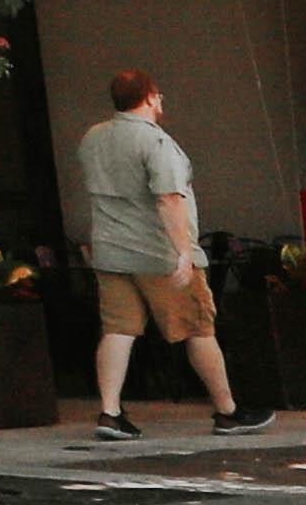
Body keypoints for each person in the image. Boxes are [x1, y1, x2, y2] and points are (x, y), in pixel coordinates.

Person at [71, 69, 268, 439]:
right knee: (198, 328)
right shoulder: (156, 142)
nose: (161, 100)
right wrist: (183, 252)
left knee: (118, 329)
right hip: (158, 253)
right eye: (158, 95)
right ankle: (227, 411)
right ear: (149, 97)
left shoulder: (93, 137)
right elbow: (168, 199)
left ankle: (110, 412)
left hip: (112, 252)